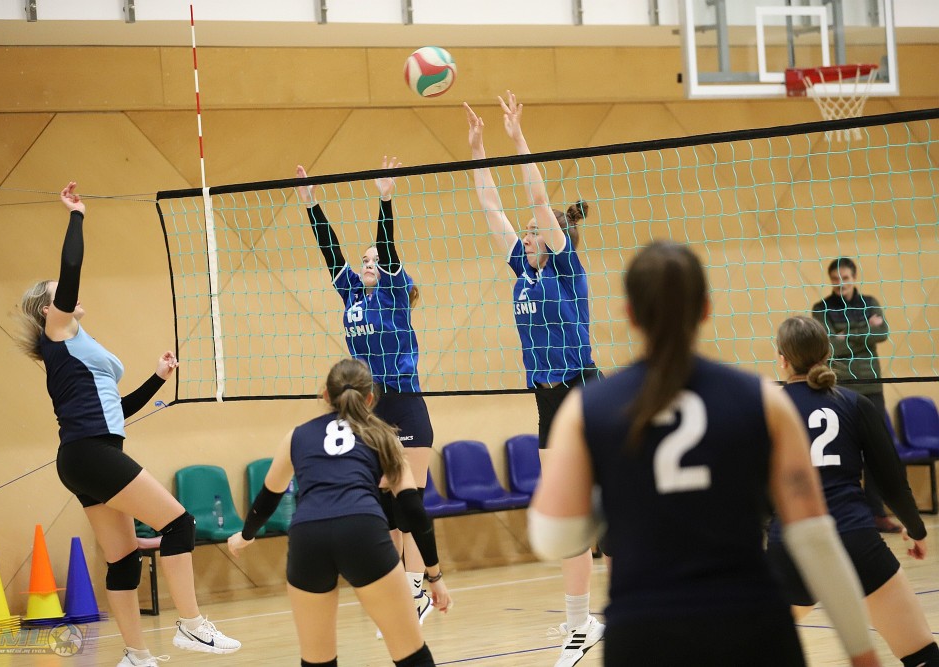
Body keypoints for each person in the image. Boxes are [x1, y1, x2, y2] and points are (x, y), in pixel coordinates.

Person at [528, 240, 881, 667]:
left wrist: (614, 497)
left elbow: (554, 539)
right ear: (706, 309)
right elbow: (814, 537)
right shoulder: (764, 401)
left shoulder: (588, 410)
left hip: (643, 632)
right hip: (749, 621)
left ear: (630, 314)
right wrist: (863, 653)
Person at [19, 183, 241, 667]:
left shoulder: (76, 346)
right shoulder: (58, 330)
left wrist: (157, 379)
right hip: (91, 454)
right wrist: (77, 216)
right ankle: (192, 625)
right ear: (47, 310)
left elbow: (115, 409)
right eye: (59, 296)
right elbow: (71, 269)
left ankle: (137, 656)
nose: (70, 295)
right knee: (180, 523)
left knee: (122, 558)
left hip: (85, 455)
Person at [465, 93, 603, 667]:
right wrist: (478, 151)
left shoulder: (566, 268)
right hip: (546, 399)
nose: (526, 234)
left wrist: (517, 137)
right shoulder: (521, 271)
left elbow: (537, 200)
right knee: (568, 512)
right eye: (524, 232)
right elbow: (490, 206)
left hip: (582, 389)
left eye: (534, 231)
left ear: (552, 235)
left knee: (603, 506)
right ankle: (581, 622)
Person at [227, 358, 452, 667]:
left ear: (325, 395)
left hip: (308, 537)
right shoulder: (384, 436)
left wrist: (245, 535)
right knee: (413, 657)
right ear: (370, 399)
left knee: (317, 661)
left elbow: (267, 498)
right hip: (361, 531)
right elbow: (413, 510)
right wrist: (434, 576)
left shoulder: (297, 436)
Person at [295, 157, 438, 626]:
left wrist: (385, 198)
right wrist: (311, 204)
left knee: (409, 502)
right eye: (365, 260)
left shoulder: (395, 292)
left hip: (405, 402)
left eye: (375, 260)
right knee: (384, 508)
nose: (369, 263)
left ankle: (418, 590)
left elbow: (388, 247)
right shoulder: (353, 294)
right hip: (368, 412)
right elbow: (330, 251)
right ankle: (398, 592)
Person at [768, 316, 938, 667]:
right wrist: (916, 529)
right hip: (854, 539)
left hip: (791, 544)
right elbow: (891, 481)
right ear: (827, 354)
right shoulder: (854, 404)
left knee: (752, 651)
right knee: (922, 655)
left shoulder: (765, 410)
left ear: (782, 359)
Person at [812, 257, 898, 533]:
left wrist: (843, 335)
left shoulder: (870, 302)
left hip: (872, 386)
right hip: (840, 388)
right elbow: (829, 346)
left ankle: (877, 514)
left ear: (854, 277)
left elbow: (882, 332)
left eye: (845, 278)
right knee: (842, 452)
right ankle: (844, 514)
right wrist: (863, 331)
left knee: (876, 451)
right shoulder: (821, 308)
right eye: (835, 279)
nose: (841, 284)